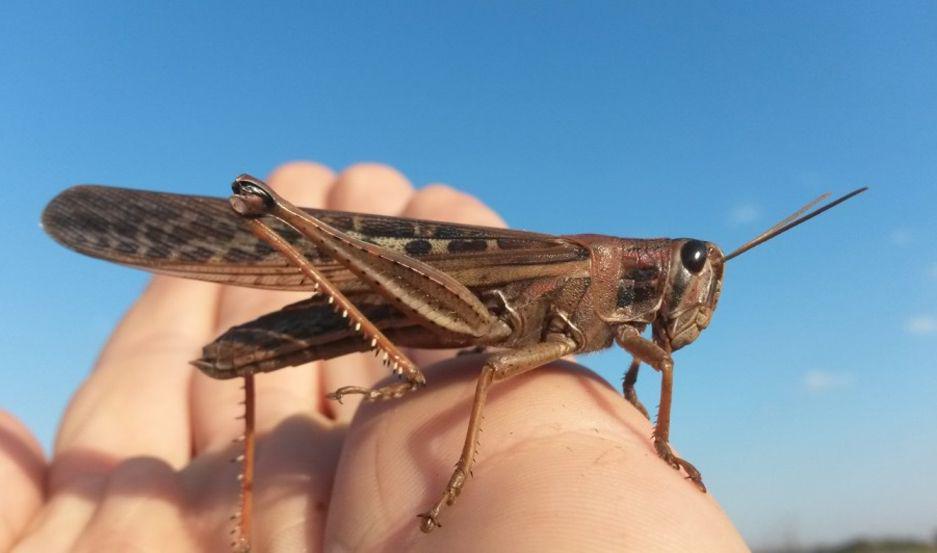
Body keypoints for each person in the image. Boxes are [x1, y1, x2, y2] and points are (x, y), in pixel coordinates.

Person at [1, 162, 749, 552]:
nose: (689, 289)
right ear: (654, 263)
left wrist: (649, 418)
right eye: (688, 266)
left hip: (439, 309)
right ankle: (276, 219)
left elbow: (658, 358)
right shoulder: (581, 270)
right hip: (433, 295)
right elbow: (491, 363)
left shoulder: (630, 334)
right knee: (492, 365)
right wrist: (451, 473)